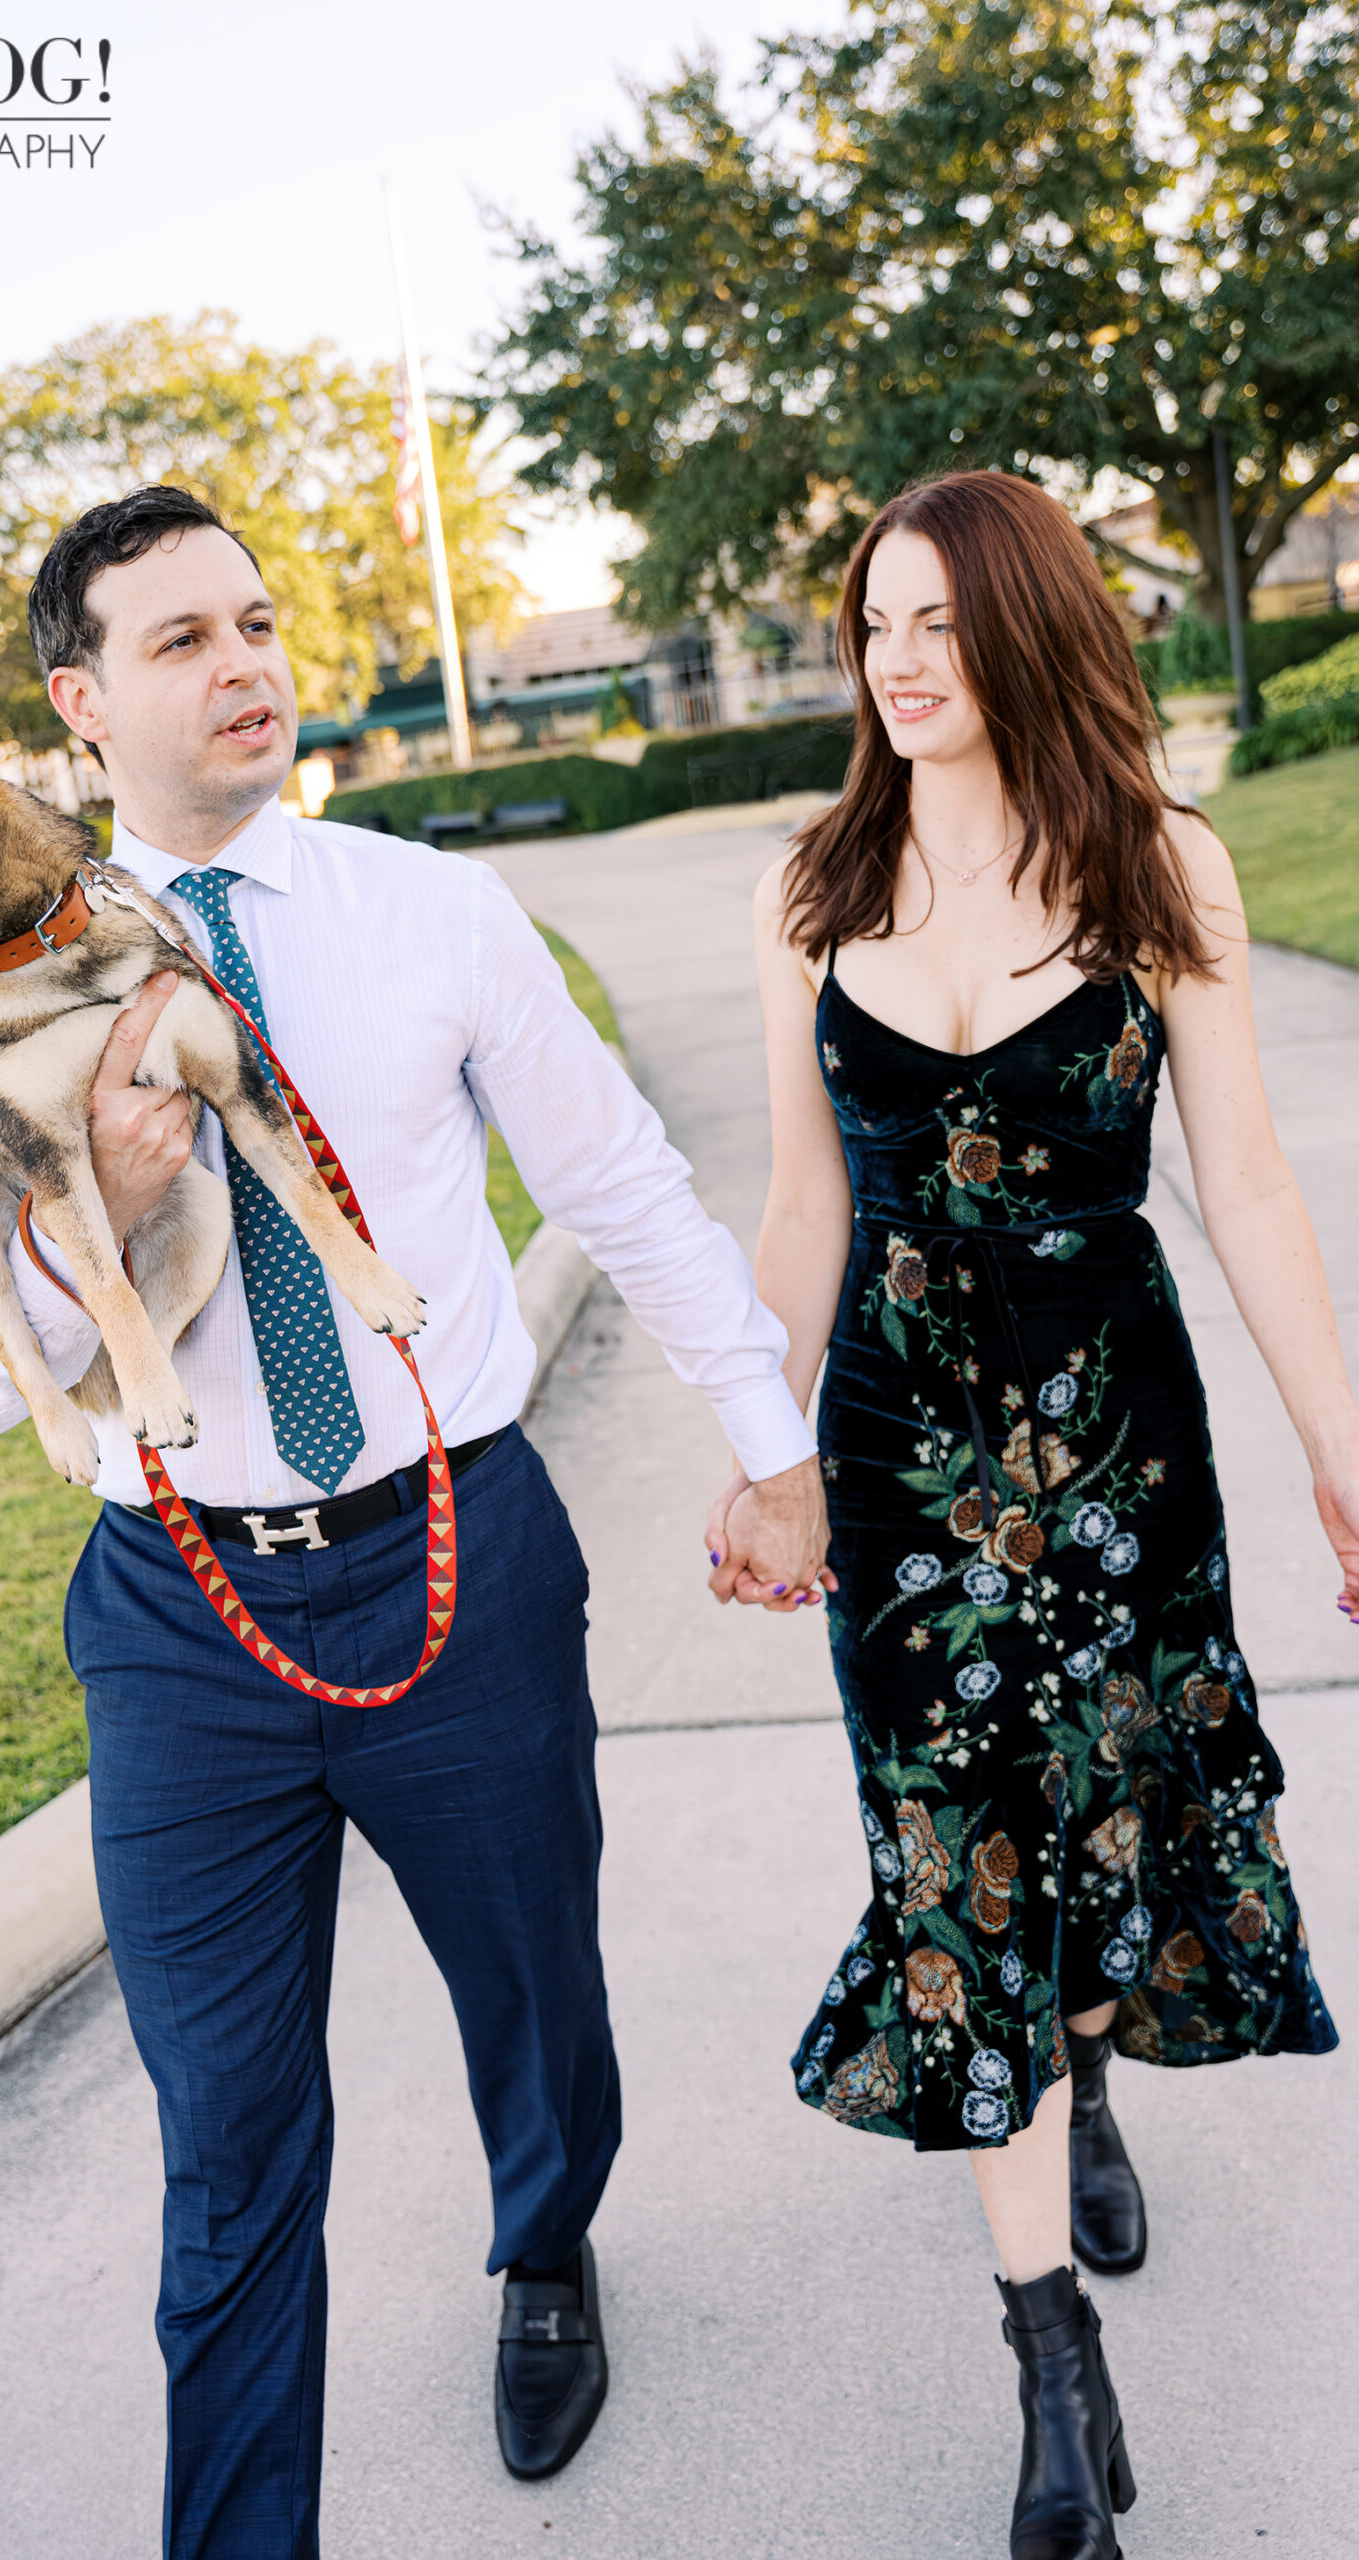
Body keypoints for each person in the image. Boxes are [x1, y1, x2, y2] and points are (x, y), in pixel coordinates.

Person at [0, 482, 829, 2558]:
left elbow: (617, 1188)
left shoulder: (433, 915)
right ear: (78, 707)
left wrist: (768, 1438)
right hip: (180, 1614)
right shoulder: (8, 989)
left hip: (460, 1556)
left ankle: (544, 2235)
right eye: (178, 641)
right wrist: (110, 1224)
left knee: (536, 1992)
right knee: (226, 2145)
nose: (244, 661)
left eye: (254, 622)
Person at [708, 470, 1349, 2560]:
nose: (894, 662)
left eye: (930, 621)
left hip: (1113, 1449)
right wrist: (760, 1446)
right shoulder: (810, 884)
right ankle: (1047, 2355)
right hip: (899, 1461)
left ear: (1019, 625)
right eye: (868, 627)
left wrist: (1342, 1453)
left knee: (1096, 1820)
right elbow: (805, 1201)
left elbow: (1242, 1185)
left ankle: (1085, 2080)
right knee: (946, 1862)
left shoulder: (1157, 863)